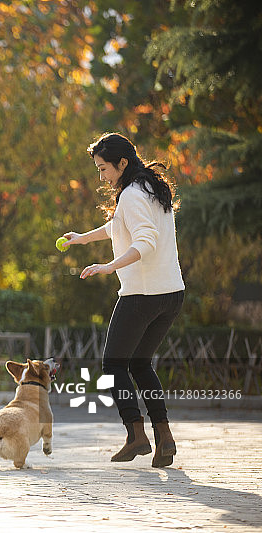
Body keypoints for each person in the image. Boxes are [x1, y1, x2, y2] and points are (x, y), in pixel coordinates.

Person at [63, 132, 185, 468]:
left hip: (142, 295)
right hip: (171, 293)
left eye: (104, 169)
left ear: (122, 163)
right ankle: (164, 437)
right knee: (140, 364)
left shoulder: (131, 195)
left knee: (113, 365)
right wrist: (83, 239)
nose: (101, 177)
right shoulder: (150, 188)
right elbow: (119, 227)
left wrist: (109, 266)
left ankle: (136, 435)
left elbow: (144, 241)